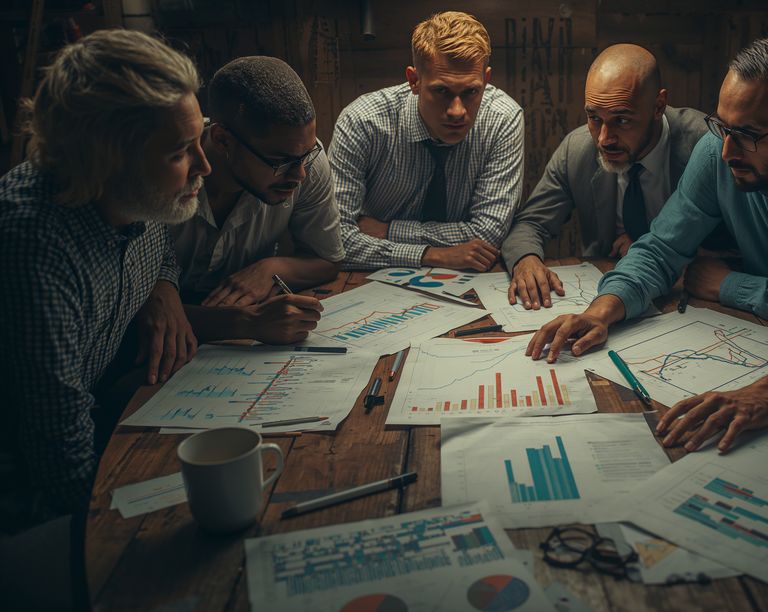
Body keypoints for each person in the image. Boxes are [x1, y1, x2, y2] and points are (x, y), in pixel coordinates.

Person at [527, 35, 768, 454]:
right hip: (765, 346)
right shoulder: (719, 153)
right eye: (722, 126)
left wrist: (731, 290)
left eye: (748, 133)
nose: (726, 151)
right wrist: (600, 313)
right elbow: (660, 249)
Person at [0, 29, 210, 607]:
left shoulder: (141, 196)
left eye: (200, 140)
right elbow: (57, 455)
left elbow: (157, 252)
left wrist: (163, 286)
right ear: (106, 158)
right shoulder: (31, 242)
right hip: (28, 512)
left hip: (95, 445)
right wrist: (150, 520)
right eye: (180, 152)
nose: (205, 166)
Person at [501, 44, 709, 309]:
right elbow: (530, 223)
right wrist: (526, 259)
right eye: (594, 117)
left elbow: (739, 246)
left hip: (690, 303)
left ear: (658, 106)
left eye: (622, 120)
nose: (603, 139)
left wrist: (651, 247)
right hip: (603, 298)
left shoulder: (705, 147)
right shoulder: (577, 150)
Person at [166, 56, 340, 350]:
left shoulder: (304, 159)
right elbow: (140, 313)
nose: (299, 175)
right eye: (279, 162)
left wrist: (270, 268)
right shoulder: (165, 175)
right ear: (222, 140)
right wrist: (246, 322)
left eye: (307, 155)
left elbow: (328, 261)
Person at [330, 10, 524, 271]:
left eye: (471, 91)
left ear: (486, 81)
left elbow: (487, 235)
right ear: (414, 81)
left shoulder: (502, 119)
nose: (457, 111)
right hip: (371, 282)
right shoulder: (363, 122)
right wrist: (429, 255)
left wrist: (389, 230)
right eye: (442, 91)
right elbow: (336, 242)